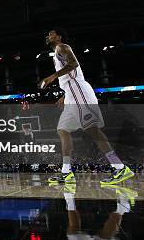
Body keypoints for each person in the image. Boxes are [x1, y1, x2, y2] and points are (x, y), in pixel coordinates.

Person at [41, 28, 134, 185]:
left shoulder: (63, 47)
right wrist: (64, 96)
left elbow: (74, 64)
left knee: (91, 129)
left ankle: (120, 168)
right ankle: (66, 172)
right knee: (62, 130)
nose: (47, 36)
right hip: (71, 93)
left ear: (59, 36)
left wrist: (52, 77)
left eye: (51, 34)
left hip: (78, 91)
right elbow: (69, 77)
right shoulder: (57, 52)